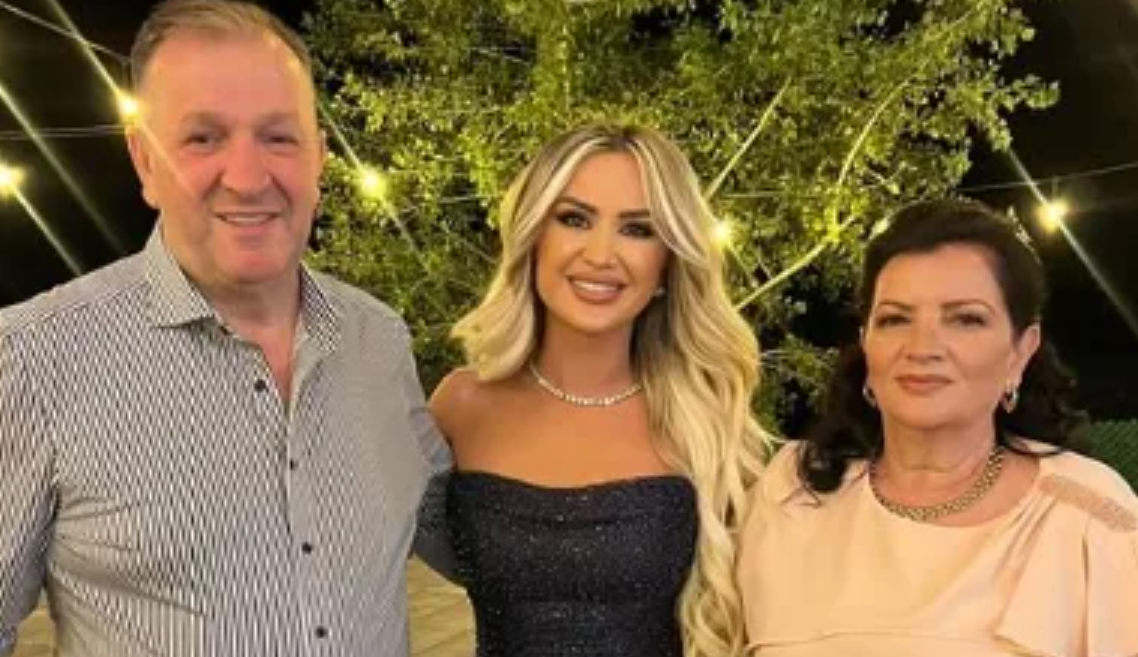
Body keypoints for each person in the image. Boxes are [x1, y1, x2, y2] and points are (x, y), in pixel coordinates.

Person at [0, 1, 450, 655]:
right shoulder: (32, 360)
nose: (247, 178)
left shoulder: (379, 342)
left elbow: (463, 534)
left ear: (320, 159)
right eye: (203, 138)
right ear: (145, 161)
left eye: (279, 137)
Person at [737, 198, 1138, 657]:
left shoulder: (1089, 517)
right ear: (866, 343)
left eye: (965, 319)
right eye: (895, 319)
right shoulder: (791, 493)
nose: (922, 347)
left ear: (1021, 351)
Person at [429, 123, 769, 657]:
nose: (601, 254)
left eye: (637, 229)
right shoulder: (461, 406)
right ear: (533, 236)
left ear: (668, 263)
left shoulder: (705, 420)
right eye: (574, 219)